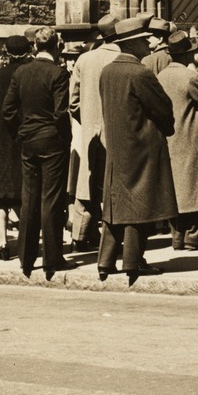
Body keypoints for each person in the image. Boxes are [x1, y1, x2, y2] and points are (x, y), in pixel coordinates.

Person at [97, 16, 177, 285]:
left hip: (117, 145)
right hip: (141, 146)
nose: (150, 44)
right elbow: (163, 108)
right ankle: (133, 261)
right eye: (145, 40)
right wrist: (166, 128)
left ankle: (105, 261)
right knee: (139, 205)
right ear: (134, 44)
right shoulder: (140, 73)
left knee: (115, 204)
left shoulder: (108, 71)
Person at [2, 27, 73, 280]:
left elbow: (8, 110)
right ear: (56, 46)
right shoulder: (58, 73)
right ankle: (52, 258)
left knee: (29, 198)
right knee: (51, 200)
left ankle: (27, 256)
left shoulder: (21, 72)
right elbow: (61, 112)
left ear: (35, 47)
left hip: (29, 141)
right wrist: (62, 137)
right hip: (51, 141)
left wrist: (21, 133)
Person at [157, 31, 198, 251]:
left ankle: (178, 235)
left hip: (169, 139)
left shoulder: (160, 76)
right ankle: (196, 236)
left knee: (176, 187)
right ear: (187, 55)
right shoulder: (190, 77)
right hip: (190, 137)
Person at [68, 13, 121, 250]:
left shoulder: (84, 60)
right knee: (113, 186)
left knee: (87, 184)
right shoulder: (124, 58)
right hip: (118, 132)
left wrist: (88, 119)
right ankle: (113, 241)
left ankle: (80, 235)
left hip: (90, 132)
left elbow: (73, 102)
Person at [0, 35, 32, 261]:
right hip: (24, 139)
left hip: (0, 141)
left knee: (2, 195)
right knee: (25, 191)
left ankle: (3, 242)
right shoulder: (29, 74)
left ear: (6, 51)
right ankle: (25, 240)